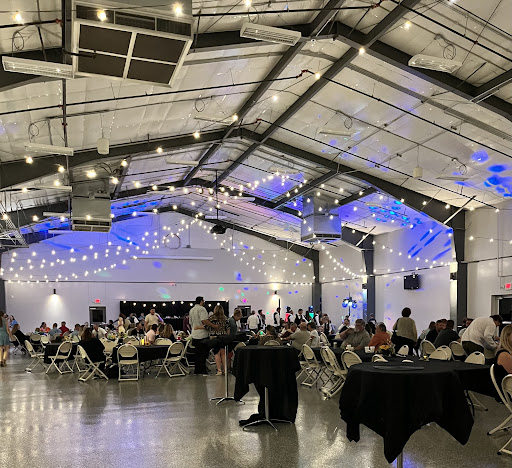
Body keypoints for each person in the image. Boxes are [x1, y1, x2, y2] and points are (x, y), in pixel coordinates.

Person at [189, 296, 219, 375]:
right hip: (202, 335)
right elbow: (204, 321)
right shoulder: (202, 309)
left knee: (197, 354)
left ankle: (197, 370)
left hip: (194, 335)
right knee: (203, 354)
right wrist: (214, 326)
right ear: (201, 301)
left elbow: (190, 322)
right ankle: (202, 370)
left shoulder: (191, 310)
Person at [208, 305, 229, 375]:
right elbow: (228, 328)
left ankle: (219, 370)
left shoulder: (211, 318)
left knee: (217, 353)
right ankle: (225, 370)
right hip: (223, 337)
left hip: (215, 337)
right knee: (223, 353)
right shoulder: (225, 318)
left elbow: (207, 327)